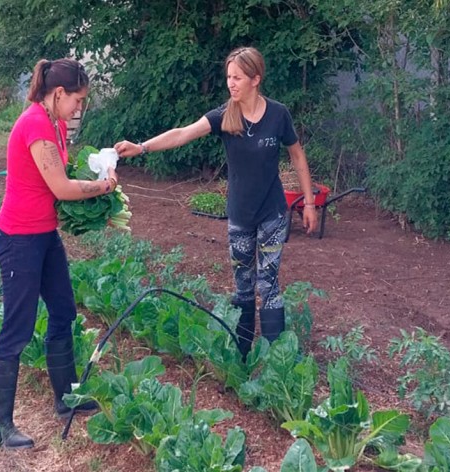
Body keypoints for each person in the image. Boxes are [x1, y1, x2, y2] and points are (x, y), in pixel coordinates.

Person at [114, 46, 318, 361]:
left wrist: (308, 203)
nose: (231, 83)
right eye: (228, 78)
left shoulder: (278, 114)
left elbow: (297, 155)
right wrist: (141, 147)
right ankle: (243, 357)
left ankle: (279, 363)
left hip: (273, 213)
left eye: (237, 77)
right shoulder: (224, 116)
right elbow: (182, 134)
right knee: (243, 286)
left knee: (268, 282)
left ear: (255, 79)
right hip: (239, 215)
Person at [0, 58, 116, 450]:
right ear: (58, 94)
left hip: (44, 236)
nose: (79, 108)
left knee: (64, 312)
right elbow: (60, 187)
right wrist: (104, 188)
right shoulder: (35, 124)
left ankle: (66, 399)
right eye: (77, 100)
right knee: (18, 329)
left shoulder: (56, 125)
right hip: (19, 239)